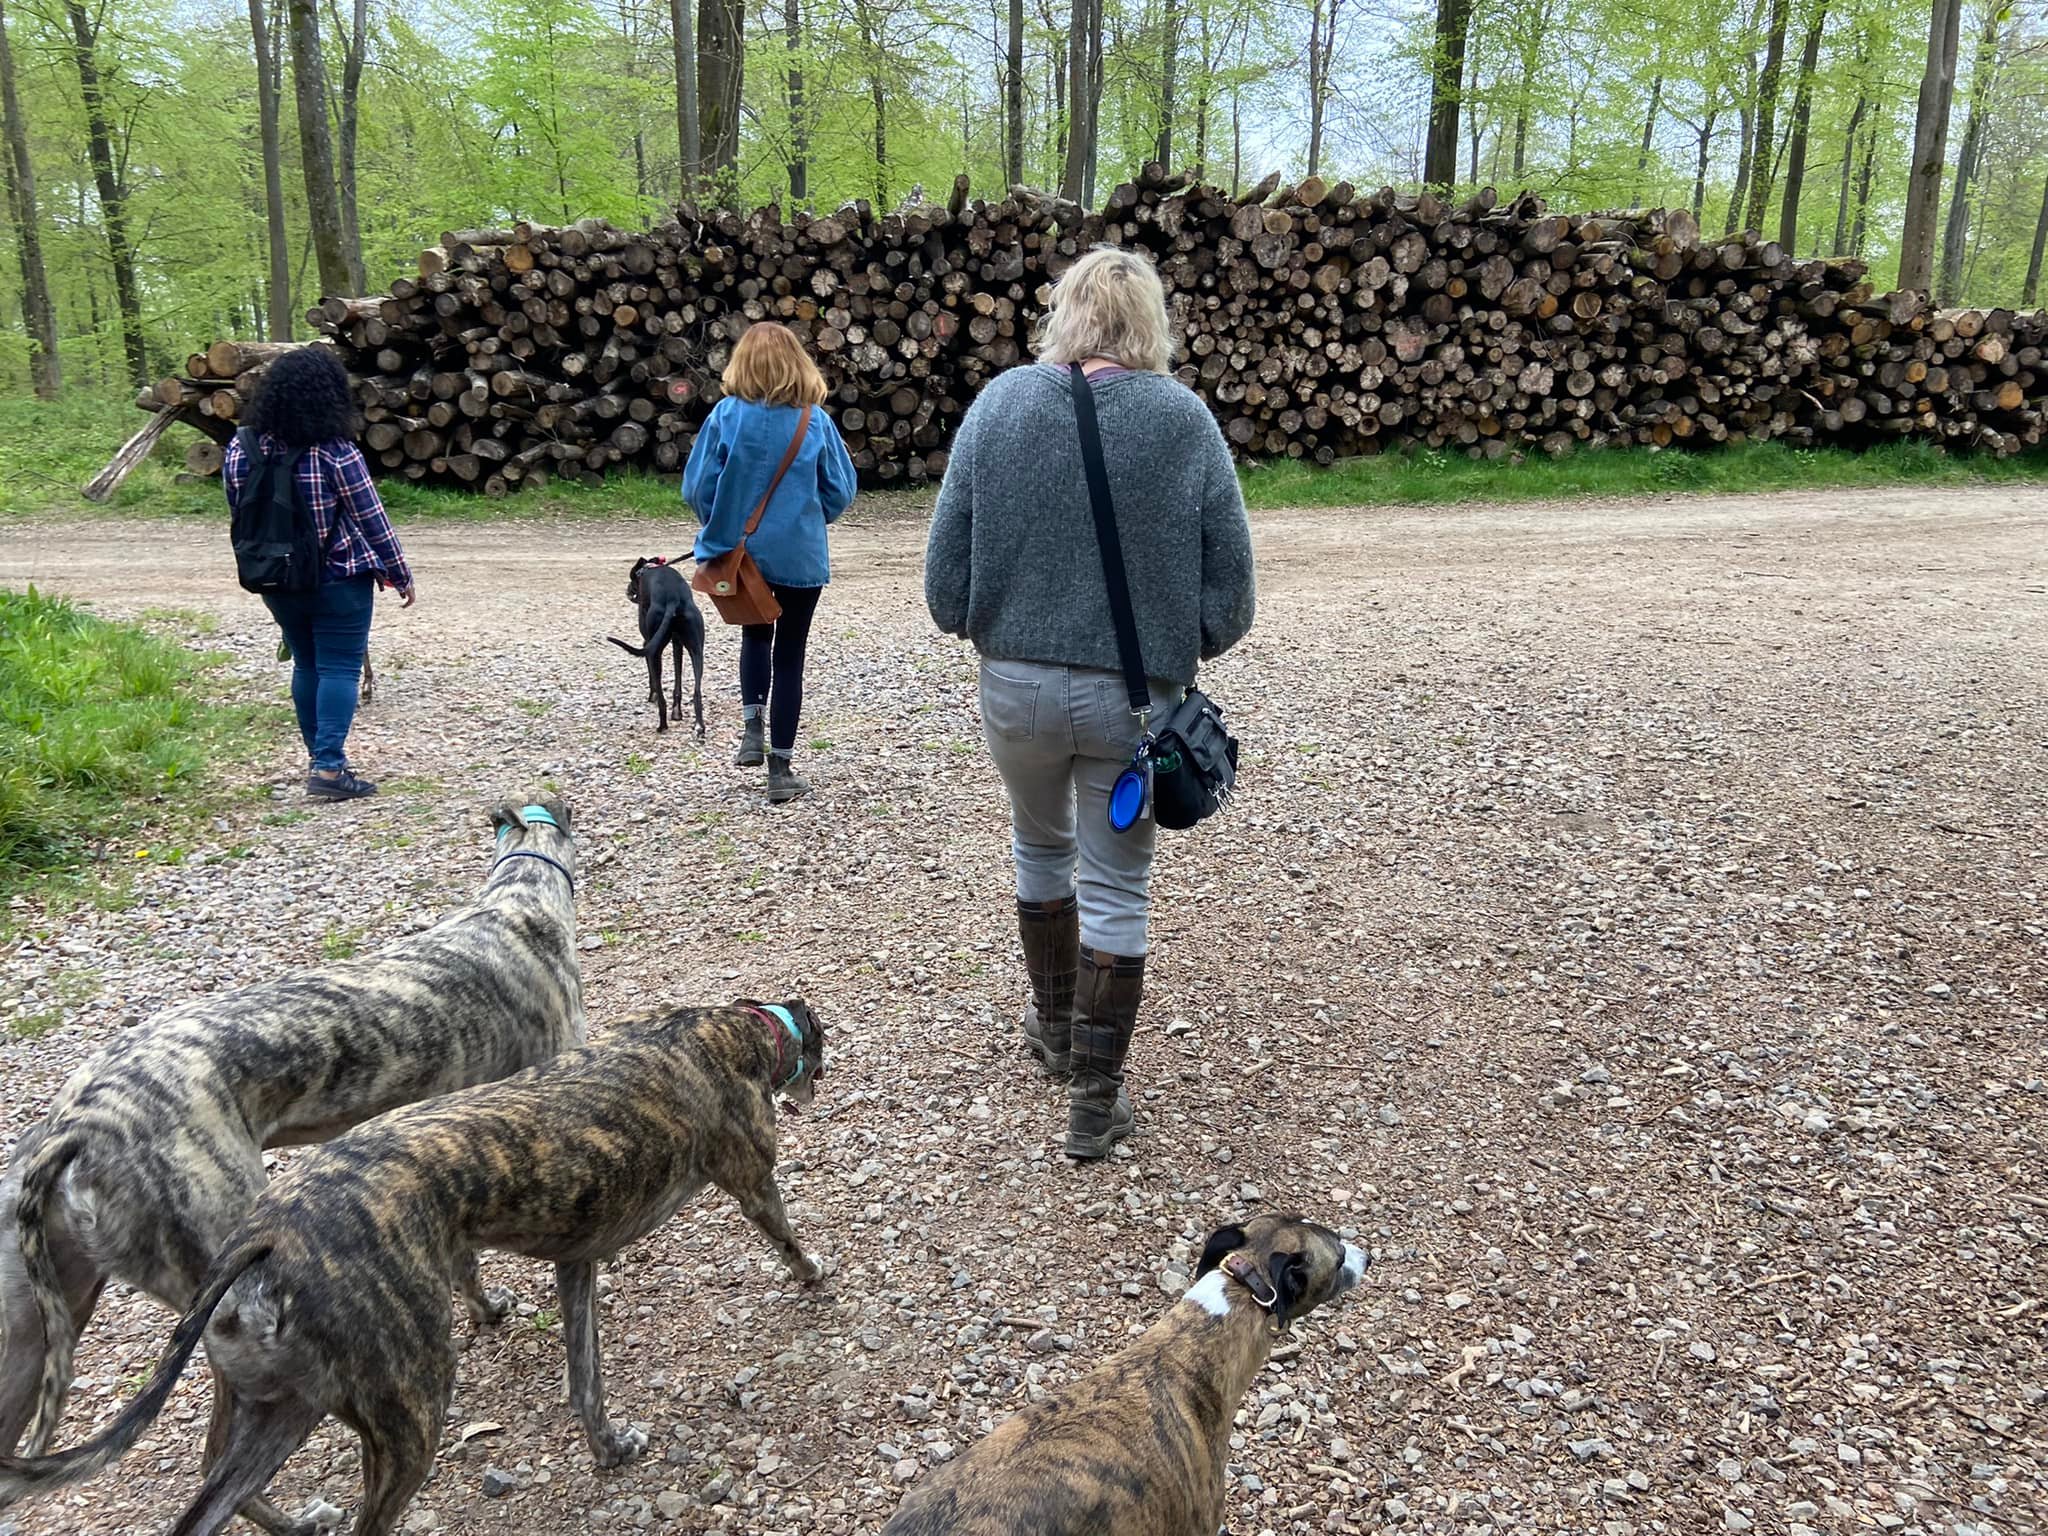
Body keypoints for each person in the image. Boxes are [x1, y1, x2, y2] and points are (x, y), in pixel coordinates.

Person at [923, 247, 1256, 1161]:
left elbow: (944, 585)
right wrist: (1177, 645)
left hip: (1016, 689)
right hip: (1133, 700)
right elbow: (1231, 595)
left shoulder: (998, 406)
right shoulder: (1183, 421)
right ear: (1149, 322)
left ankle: (1052, 1030)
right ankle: (1093, 1100)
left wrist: (998, 623)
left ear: (1063, 314)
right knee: (1117, 882)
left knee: (1039, 845)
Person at [223, 347, 415, 802]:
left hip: (274, 578)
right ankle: (328, 769)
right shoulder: (335, 451)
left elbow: (239, 513)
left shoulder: (240, 447)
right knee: (339, 667)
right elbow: (372, 518)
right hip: (339, 578)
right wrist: (399, 571)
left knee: (307, 663)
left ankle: (321, 761)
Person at [686, 322, 858, 804]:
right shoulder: (815, 420)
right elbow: (841, 491)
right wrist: (805, 517)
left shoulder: (724, 416)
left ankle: (751, 731)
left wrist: (724, 525)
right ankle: (780, 771)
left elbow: (697, 488)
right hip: (800, 553)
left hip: (744, 554)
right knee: (791, 656)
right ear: (796, 363)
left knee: (755, 634)